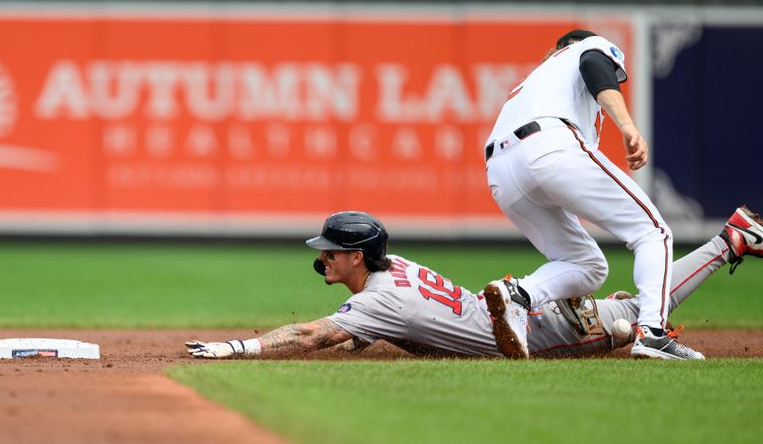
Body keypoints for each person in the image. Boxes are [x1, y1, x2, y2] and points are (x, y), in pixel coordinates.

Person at [186, 206, 762, 360]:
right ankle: (726, 242)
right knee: (627, 305)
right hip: (519, 312)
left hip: (538, 332)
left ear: (358, 257)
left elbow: (314, 334)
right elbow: (361, 329)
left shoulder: (380, 299)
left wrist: (241, 346)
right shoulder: (394, 267)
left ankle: (729, 242)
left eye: (331, 252)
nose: (324, 259)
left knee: (636, 316)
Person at [482, 28, 696, 359]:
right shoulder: (588, 48)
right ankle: (652, 331)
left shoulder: (530, 85)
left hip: (500, 171)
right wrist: (627, 126)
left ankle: (519, 293)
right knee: (653, 232)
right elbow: (595, 65)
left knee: (586, 265)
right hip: (549, 144)